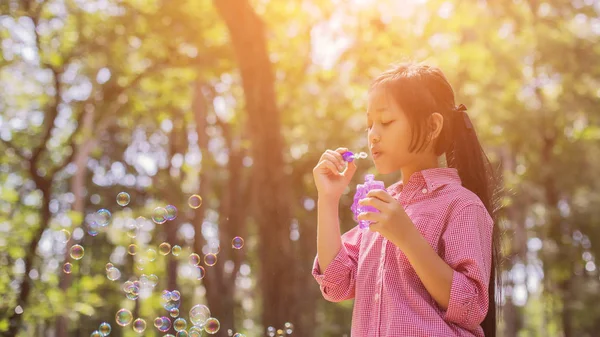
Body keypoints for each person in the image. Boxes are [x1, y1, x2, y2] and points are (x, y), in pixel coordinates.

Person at [312, 61, 502, 337]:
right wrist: (327, 199)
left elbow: (471, 307)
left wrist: (408, 238)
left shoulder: (461, 205)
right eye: (369, 124)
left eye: (386, 121)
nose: (373, 134)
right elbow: (336, 283)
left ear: (432, 126)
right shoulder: (381, 205)